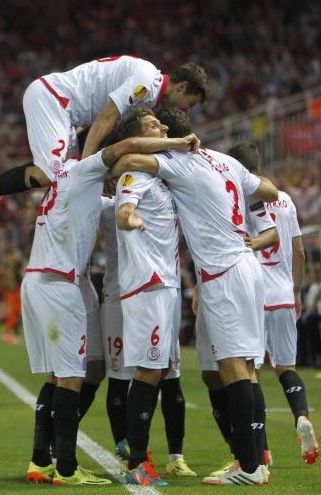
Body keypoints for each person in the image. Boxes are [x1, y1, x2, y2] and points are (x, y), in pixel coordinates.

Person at [22, 111, 197, 486]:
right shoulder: (100, 178)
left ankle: (45, 456)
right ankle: (71, 462)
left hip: (84, 284)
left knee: (91, 371)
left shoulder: (87, 184)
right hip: (95, 287)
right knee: (84, 375)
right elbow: (127, 161)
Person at [109, 109, 279, 486]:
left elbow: (128, 157)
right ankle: (255, 460)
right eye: (157, 127)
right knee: (242, 368)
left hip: (219, 272)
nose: (164, 130)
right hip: (229, 269)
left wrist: (168, 148)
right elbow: (268, 190)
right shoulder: (225, 162)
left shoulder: (178, 166)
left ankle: (248, 466)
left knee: (232, 367)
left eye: (165, 127)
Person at [0, 55, 209, 235]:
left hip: (68, 113)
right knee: (53, 174)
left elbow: (107, 129)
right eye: (192, 102)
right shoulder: (146, 83)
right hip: (54, 99)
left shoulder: (150, 96)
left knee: (57, 174)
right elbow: (105, 118)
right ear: (182, 86)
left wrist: (92, 167)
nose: (189, 110)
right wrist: (90, 168)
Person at [100, 150, 195, 483]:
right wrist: (131, 219)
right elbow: (123, 212)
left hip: (166, 287)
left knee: (161, 371)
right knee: (147, 370)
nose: (159, 129)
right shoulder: (133, 177)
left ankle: (148, 460)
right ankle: (137, 463)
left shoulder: (163, 182)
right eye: (152, 125)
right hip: (147, 283)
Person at [192, 142, 280, 481]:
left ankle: (248, 459)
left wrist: (249, 244)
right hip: (224, 280)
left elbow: (270, 231)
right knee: (219, 370)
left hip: (230, 279)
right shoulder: (229, 189)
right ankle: (253, 455)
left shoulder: (242, 192)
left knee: (236, 366)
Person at [229, 142, 319, 465]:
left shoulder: (240, 196)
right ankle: (302, 417)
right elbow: (299, 252)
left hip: (253, 293)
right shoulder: (285, 199)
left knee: (250, 373)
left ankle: (261, 448)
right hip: (283, 295)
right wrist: (296, 291)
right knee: (286, 368)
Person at [0, 242, 23, 345]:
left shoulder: (3, 260)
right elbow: (20, 269)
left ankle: (10, 333)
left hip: (7, 287)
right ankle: (7, 333)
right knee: (15, 311)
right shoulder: (14, 259)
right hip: (14, 287)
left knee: (13, 311)